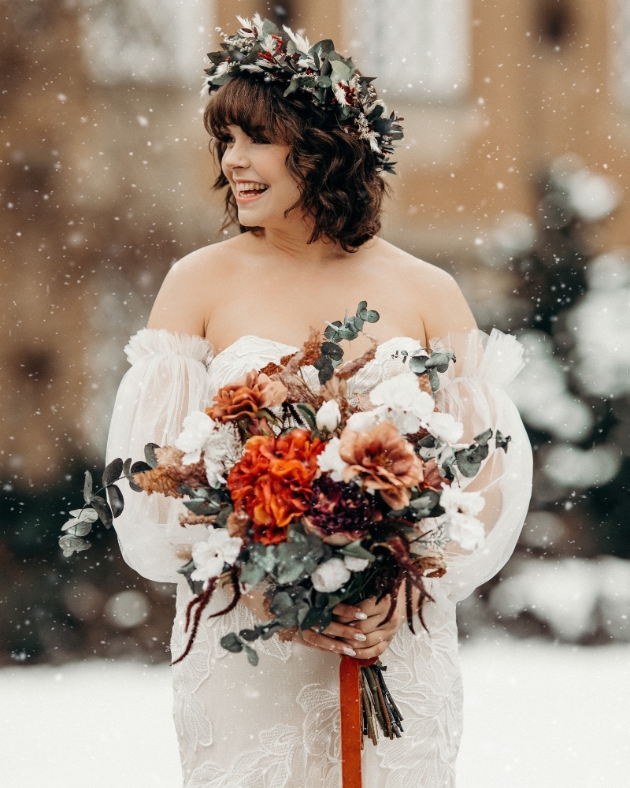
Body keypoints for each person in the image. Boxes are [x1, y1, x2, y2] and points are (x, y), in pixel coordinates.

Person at [106, 15, 532, 787]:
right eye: (224, 140)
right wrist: (283, 585)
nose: (233, 161)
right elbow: (154, 490)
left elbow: (482, 491)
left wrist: (397, 592)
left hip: (391, 642)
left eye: (255, 139)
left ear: (323, 147)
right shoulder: (197, 283)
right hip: (250, 647)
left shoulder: (429, 291)